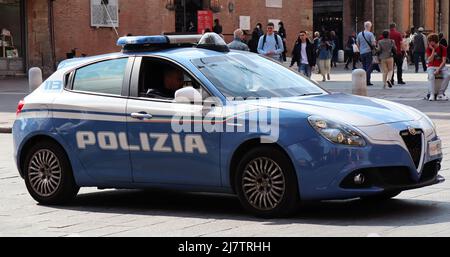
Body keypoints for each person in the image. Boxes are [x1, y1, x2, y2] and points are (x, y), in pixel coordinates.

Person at [426, 33, 449, 101]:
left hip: (441, 66)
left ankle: (440, 94)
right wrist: (433, 50)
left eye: (430, 41)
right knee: (431, 76)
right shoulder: (429, 48)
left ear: (434, 41)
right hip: (431, 66)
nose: (429, 42)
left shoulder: (443, 48)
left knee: (447, 75)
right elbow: (429, 60)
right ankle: (432, 94)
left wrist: (438, 69)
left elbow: (444, 61)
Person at [357, 21, 376, 86]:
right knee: (369, 67)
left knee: (364, 66)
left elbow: (357, 43)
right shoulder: (370, 34)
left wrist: (360, 50)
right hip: (368, 52)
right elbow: (373, 44)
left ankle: (362, 80)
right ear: (369, 26)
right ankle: (367, 81)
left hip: (362, 52)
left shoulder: (359, 34)